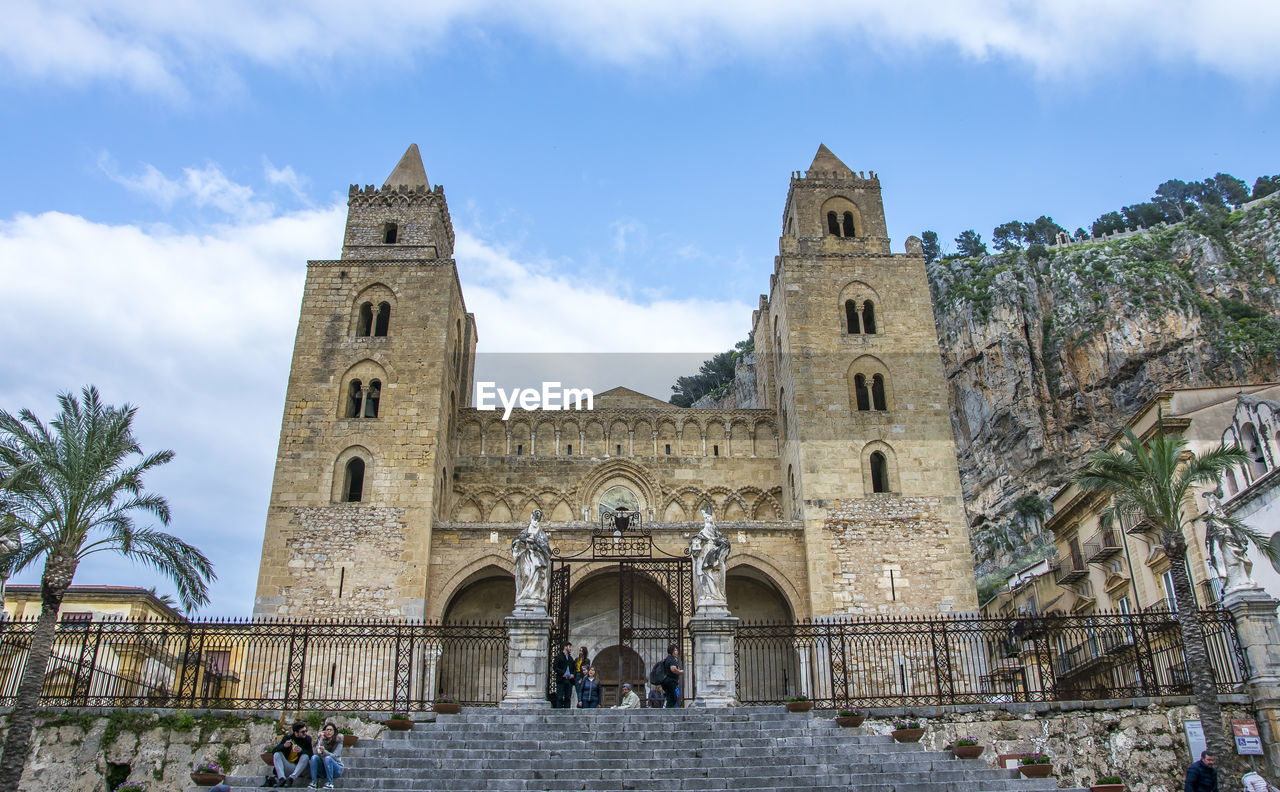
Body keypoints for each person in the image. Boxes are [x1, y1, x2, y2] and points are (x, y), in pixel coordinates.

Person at [267, 721, 313, 787]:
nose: (305, 733)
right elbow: (274, 751)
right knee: (277, 754)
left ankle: (291, 779)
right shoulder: (288, 738)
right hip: (289, 766)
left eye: (306, 731)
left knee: (305, 756)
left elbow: (311, 755)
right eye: (302, 732)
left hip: (300, 769)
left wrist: (301, 751)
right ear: (296, 733)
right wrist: (284, 746)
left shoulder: (307, 739)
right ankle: (282, 779)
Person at [307, 722, 344, 789]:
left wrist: (324, 752)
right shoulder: (323, 741)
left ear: (334, 732)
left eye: (330, 730)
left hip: (336, 769)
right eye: (327, 730)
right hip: (323, 769)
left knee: (328, 758)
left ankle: (330, 783)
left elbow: (335, 756)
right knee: (314, 757)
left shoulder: (338, 741)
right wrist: (320, 740)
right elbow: (315, 753)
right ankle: (313, 782)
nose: (328, 732)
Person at [552, 642, 576, 708]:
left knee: (568, 697)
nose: (570, 648)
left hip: (569, 680)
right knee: (559, 697)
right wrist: (562, 673)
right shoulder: (559, 657)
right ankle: (559, 712)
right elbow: (555, 667)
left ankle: (567, 713)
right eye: (569, 647)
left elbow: (574, 668)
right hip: (561, 679)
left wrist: (573, 674)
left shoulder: (571, 658)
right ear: (565, 647)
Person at [661, 644, 683, 708]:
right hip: (670, 682)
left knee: (671, 698)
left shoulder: (668, 659)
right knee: (673, 699)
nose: (677, 652)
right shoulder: (671, 659)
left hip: (667, 682)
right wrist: (680, 671)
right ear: (671, 651)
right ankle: (667, 713)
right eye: (675, 650)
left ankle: (668, 711)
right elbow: (673, 669)